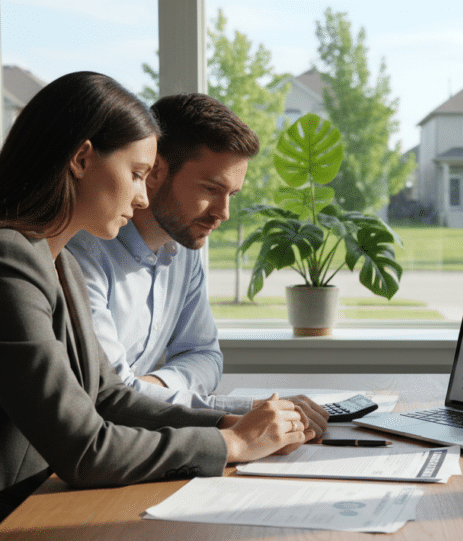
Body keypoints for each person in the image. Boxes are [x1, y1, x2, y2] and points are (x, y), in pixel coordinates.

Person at [0, 72, 323, 541]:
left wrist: (226, 427)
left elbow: (106, 396)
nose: (142, 197)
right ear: (82, 159)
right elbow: (85, 449)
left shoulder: (51, 258)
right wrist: (234, 447)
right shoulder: (2, 260)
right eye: (136, 174)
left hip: (15, 519)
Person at [65, 93, 325, 420]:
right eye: (210, 189)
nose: (224, 213)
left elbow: (204, 355)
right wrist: (250, 410)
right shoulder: (81, 253)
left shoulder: (184, 253)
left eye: (231, 194)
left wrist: (153, 387)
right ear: (155, 171)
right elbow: (109, 397)